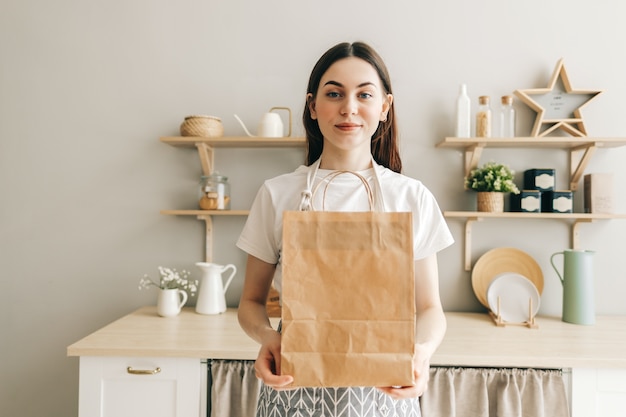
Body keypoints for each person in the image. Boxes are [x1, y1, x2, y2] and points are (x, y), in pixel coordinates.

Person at [237, 41, 454, 417]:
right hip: (294, 391)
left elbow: (430, 307)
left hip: (385, 394)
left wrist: (421, 353)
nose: (348, 108)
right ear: (313, 106)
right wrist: (269, 339)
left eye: (364, 94)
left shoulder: (412, 197)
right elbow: (251, 304)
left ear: (385, 107)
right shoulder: (277, 194)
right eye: (334, 93)